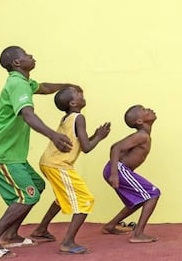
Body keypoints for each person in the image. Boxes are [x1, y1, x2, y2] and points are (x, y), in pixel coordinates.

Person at [0, 46, 80, 258]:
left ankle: (10, 235)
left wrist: (67, 85)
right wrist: (53, 135)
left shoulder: (23, 83)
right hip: (3, 154)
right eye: (26, 55)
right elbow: (27, 114)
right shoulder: (17, 85)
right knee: (27, 195)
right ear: (17, 63)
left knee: (36, 186)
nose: (31, 56)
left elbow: (43, 87)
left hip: (14, 154)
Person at [31, 86, 110, 254]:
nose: (82, 94)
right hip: (58, 164)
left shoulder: (67, 118)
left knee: (62, 198)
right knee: (85, 200)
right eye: (78, 94)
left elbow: (79, 144)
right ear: (73, 102)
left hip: (50, 162)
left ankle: (41, 230)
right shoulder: (79, 118)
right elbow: (87, 148)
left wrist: (95, 136)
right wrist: (100, 137)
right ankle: (67, 242)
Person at [102, 104, 161, 243]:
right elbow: (115, 148)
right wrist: (115, 174)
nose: (149, 109)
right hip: (118, 169)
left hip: (117, 169)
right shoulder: (141, 136)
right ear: (140, 121)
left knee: (140, 198)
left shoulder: (144, 135)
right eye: (144, 110)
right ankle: (138, 234)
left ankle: (110, 225)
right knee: (153, 194)